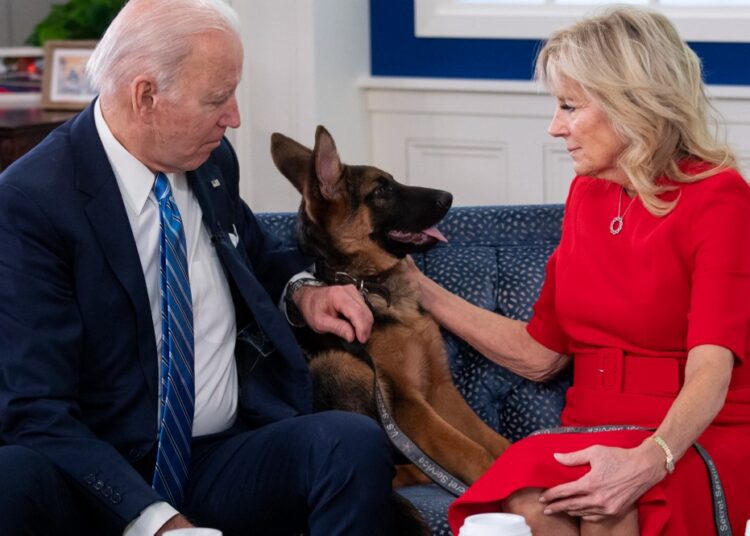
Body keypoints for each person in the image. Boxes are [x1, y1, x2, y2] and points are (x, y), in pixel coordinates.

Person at [0, 0, 400, 534]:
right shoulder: (31, 203)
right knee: (13, 477)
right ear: (146, 96)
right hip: (100, 474)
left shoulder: (209, 160)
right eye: (217, 98)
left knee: (348, 443)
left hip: (217, 457)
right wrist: (159, 523)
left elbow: (253, 253)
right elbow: (33, 407)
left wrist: (304, 293)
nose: (234, 116)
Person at [405, 6, 750, 536]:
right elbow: (541, 354)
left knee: (611, 507)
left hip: (690, 436)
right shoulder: (586, 195)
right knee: (526, 503)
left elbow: (711, 371)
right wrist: (418, 289)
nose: (554, 127)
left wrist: (650, 458)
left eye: (570, 106)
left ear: (631, 104)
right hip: (591, 428)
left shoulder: (721, 199)